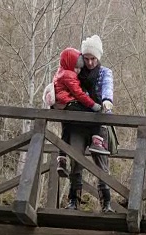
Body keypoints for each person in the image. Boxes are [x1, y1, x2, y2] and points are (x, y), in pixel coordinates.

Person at [58, 36, 115, 213]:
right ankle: (73, 200)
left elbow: (107, 87)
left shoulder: (105, 72)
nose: (90, 62)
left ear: (99, 57)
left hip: (99, 123)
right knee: (76, 160)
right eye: (87, 58)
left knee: (101, 163)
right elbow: (62, 83)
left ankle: (106, 203)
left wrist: (107, 101)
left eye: (94, 58)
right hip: (77, 123)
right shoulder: (75, 71)